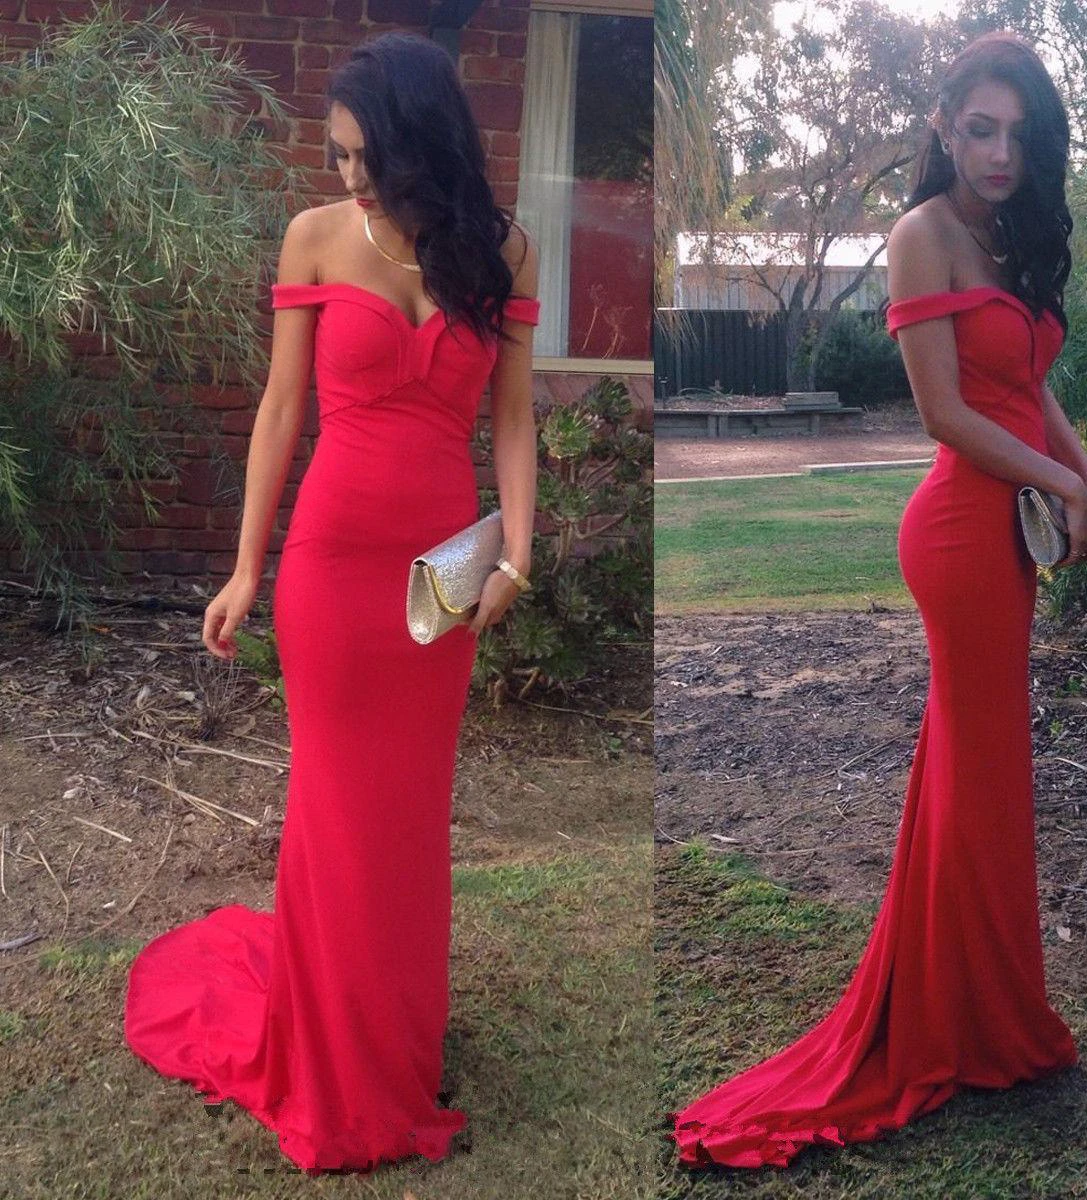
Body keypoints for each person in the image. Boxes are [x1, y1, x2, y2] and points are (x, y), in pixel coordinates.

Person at [672, 32, 1087, 1169]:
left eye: (1020, 135)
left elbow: (1030, 385)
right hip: (962, 533)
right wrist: (1060, 482)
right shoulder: (922, 235)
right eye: (981, 129)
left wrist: (1086, 470)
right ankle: (970, 1024)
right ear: (944, 126)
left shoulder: (1007, 238)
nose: (1001, 153)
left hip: (1011, 528)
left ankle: (979, 1007)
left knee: (978, 777)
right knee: (982, 774)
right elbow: (946, 416)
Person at [123, 31, 540, 1174]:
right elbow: (279, 411)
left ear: (421, 140)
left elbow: (513, 418)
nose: (351, 176)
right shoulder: (314, 235)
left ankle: (394, 1034)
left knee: (406, 816)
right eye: (339, 154)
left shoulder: (502, 250)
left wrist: (516, 555)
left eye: (367, 155)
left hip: (438, 579)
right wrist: (245, 568)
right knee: (335, 809)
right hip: (331, 566)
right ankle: (332, 1050)